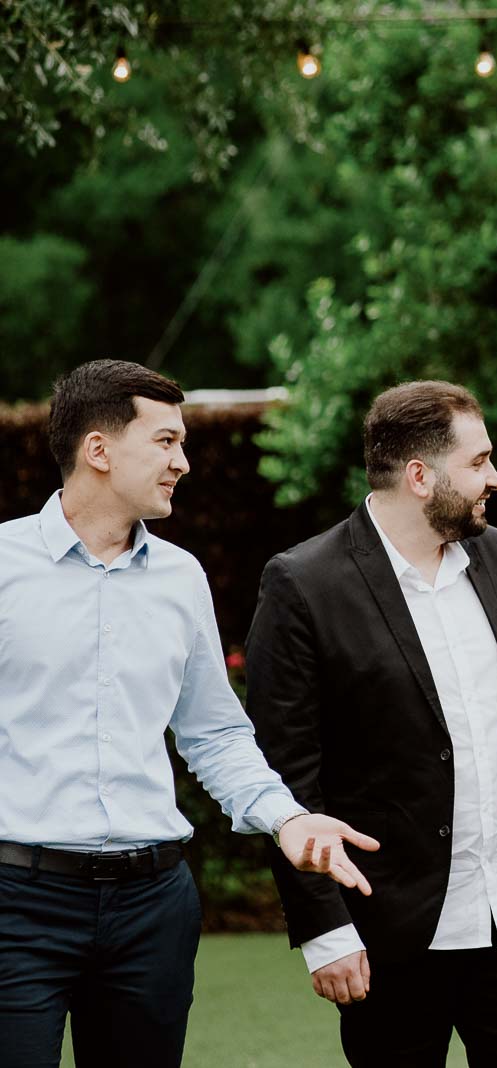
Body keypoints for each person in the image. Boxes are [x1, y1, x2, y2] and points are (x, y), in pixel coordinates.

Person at [0, 359, 376, 1068]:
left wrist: (287, 819)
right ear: (99, 450)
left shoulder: (181, 578)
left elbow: (214, 734)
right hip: (16, 903)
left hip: (153, 909)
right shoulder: (3, 567)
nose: (185, 463)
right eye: (166, 442)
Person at [244, 380, 497, 1067]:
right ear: (419, 476)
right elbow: (285, 774)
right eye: (478, 463)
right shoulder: (303, 583)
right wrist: (324, 927)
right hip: (392, 929)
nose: (494, 479)